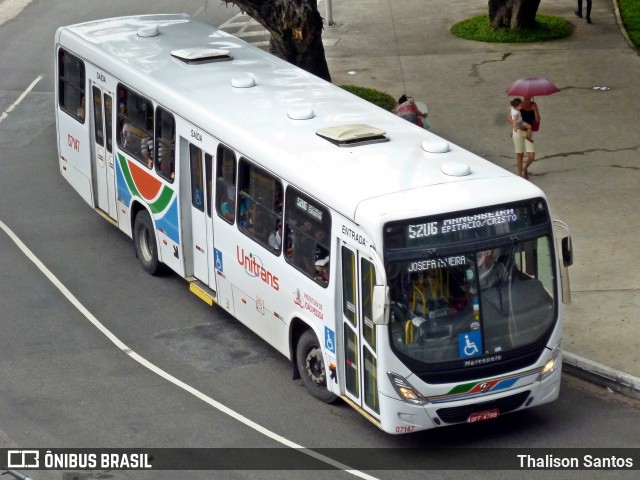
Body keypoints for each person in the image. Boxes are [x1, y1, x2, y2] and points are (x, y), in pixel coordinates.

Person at [508, 96, 540, 179]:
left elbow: (538, 121)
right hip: (518, 132)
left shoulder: (533, 106)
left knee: (531, 156)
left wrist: (536, 110)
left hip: (528, 132)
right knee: (520, 154)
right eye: (525, 98)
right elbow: (509, 118)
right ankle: (520, 176)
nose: (527, 100)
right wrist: (518, 126)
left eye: (528, 98)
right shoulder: (519, 108)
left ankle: (525, 169)